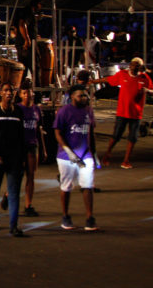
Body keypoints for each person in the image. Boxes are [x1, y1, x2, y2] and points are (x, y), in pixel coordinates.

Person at [0, 83, 27, 237]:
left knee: (14, 192)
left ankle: (13, 225)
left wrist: (23, 158)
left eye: (11, 91)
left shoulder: (18, 112)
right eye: (6, 91)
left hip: (14, 159)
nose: (9, 93)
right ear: (1, 93)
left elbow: (22, 137)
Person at [92, 57, 152, 169]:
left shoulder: (144, 78)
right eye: (134, 64)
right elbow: (109, 79)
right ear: (130, 65)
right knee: (116, 136)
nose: (135, 67)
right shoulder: (123, 74)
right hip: (122, 112)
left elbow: (152, 89)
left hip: (136, 114)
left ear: (140, 67)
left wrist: (147, 91)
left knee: (132, 138)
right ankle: (108, 153)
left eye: (138, 65)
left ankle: (126, 160)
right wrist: (94, 81)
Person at [54, 84, 98, 231]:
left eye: (85, 95)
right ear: (72, 97)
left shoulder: (88, 111)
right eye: (81, 95)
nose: (84, 98)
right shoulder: (64, 111)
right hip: (66, 157)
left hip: (86, 155)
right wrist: (68, 150)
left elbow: (91, 132)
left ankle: (89, 217)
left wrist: (94, 153)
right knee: (66, 186)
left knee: (87, 186)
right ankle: (65, 216)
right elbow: (58, 132)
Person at [16, 83, 47, 217]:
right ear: (20, 95)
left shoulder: (36, 110)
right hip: (20, 146)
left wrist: (43, 149)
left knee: (31, 175)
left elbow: (39, 129)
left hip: (32, 145)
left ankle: (28, 205)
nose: (27, 95)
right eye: (24, 93)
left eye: (29, 92)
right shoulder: (17, 109)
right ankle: (8, 195)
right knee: (18, 175)